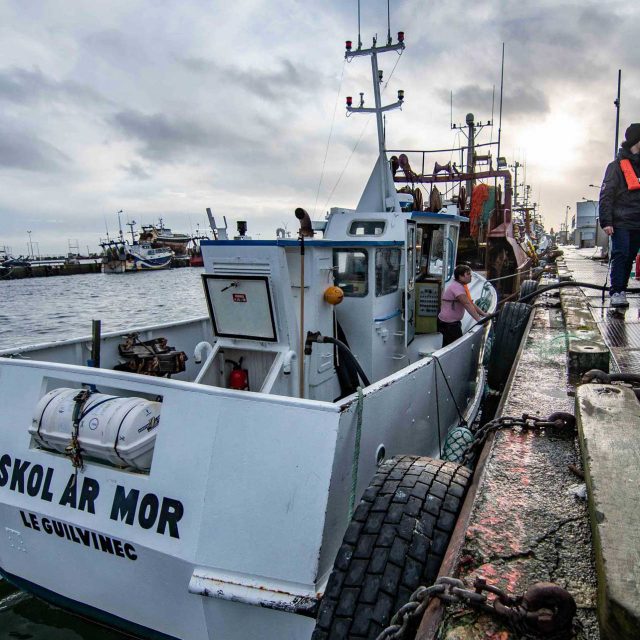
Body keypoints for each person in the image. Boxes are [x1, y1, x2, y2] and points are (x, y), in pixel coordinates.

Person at [599, 122, 640, 307]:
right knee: (620, 255)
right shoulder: (616, 167)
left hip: (637, 221)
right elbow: (606, 194)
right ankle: (616, 291)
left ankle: (622, 289)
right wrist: (606, 221)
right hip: (621, 220)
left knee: (630, 257)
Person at [437, 264, 488, 346]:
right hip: (449, 325)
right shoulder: (457, 287)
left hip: (448, 323)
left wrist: (483, 314)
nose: (470, 276)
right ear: (460, 276)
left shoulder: (458, 286)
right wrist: (479, 320)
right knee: (457, 346)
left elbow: (469, 303)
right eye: (468, 274)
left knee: (447, 345)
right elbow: (467, 304)